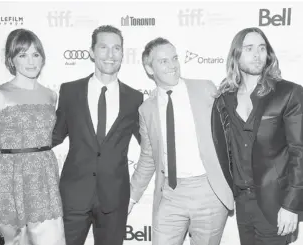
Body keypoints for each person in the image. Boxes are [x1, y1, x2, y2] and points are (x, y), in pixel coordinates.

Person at [128, 37, 234, 245]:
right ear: (150, 69)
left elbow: (230, 136)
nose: (172, 65)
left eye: (174, 58)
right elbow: (148, 157)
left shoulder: (206, 89)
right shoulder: (146, 109)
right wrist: (131, 197)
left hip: (209, 191)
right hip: (170, 194)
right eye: (163, 61)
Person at [52, 25, 143, 245]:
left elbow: (151, 147)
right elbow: (54, 136)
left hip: (114, 198)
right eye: (103, 47)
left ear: (123, 53)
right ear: (92, 52)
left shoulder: (135, 99)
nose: (110, 55)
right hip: (73, 195)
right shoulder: (69, 91)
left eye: (116, 48)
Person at [211, 27, 303, 245]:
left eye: (262, 48)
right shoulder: (224, 100)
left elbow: (299, 152)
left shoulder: (288, 93)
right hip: (242, 202)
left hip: (276, 202)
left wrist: (291, 205)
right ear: (236, 55)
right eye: (249, 48)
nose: (257, 54)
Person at [0, 28, 66, 245]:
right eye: (22, 55)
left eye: (36, 54)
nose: (31, 61)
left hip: (43, 181)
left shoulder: (50, 96)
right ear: (11, 59)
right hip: (6, 180)